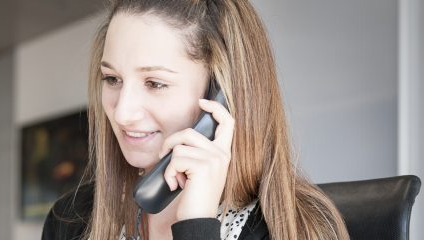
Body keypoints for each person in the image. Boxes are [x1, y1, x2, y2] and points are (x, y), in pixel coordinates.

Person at [42, 0, 350, 239]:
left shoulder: (299, 226)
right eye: (112, 78)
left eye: (155, 84)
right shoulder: (70, 219)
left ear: (222, 96)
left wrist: (196, 226)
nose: (122, 112)